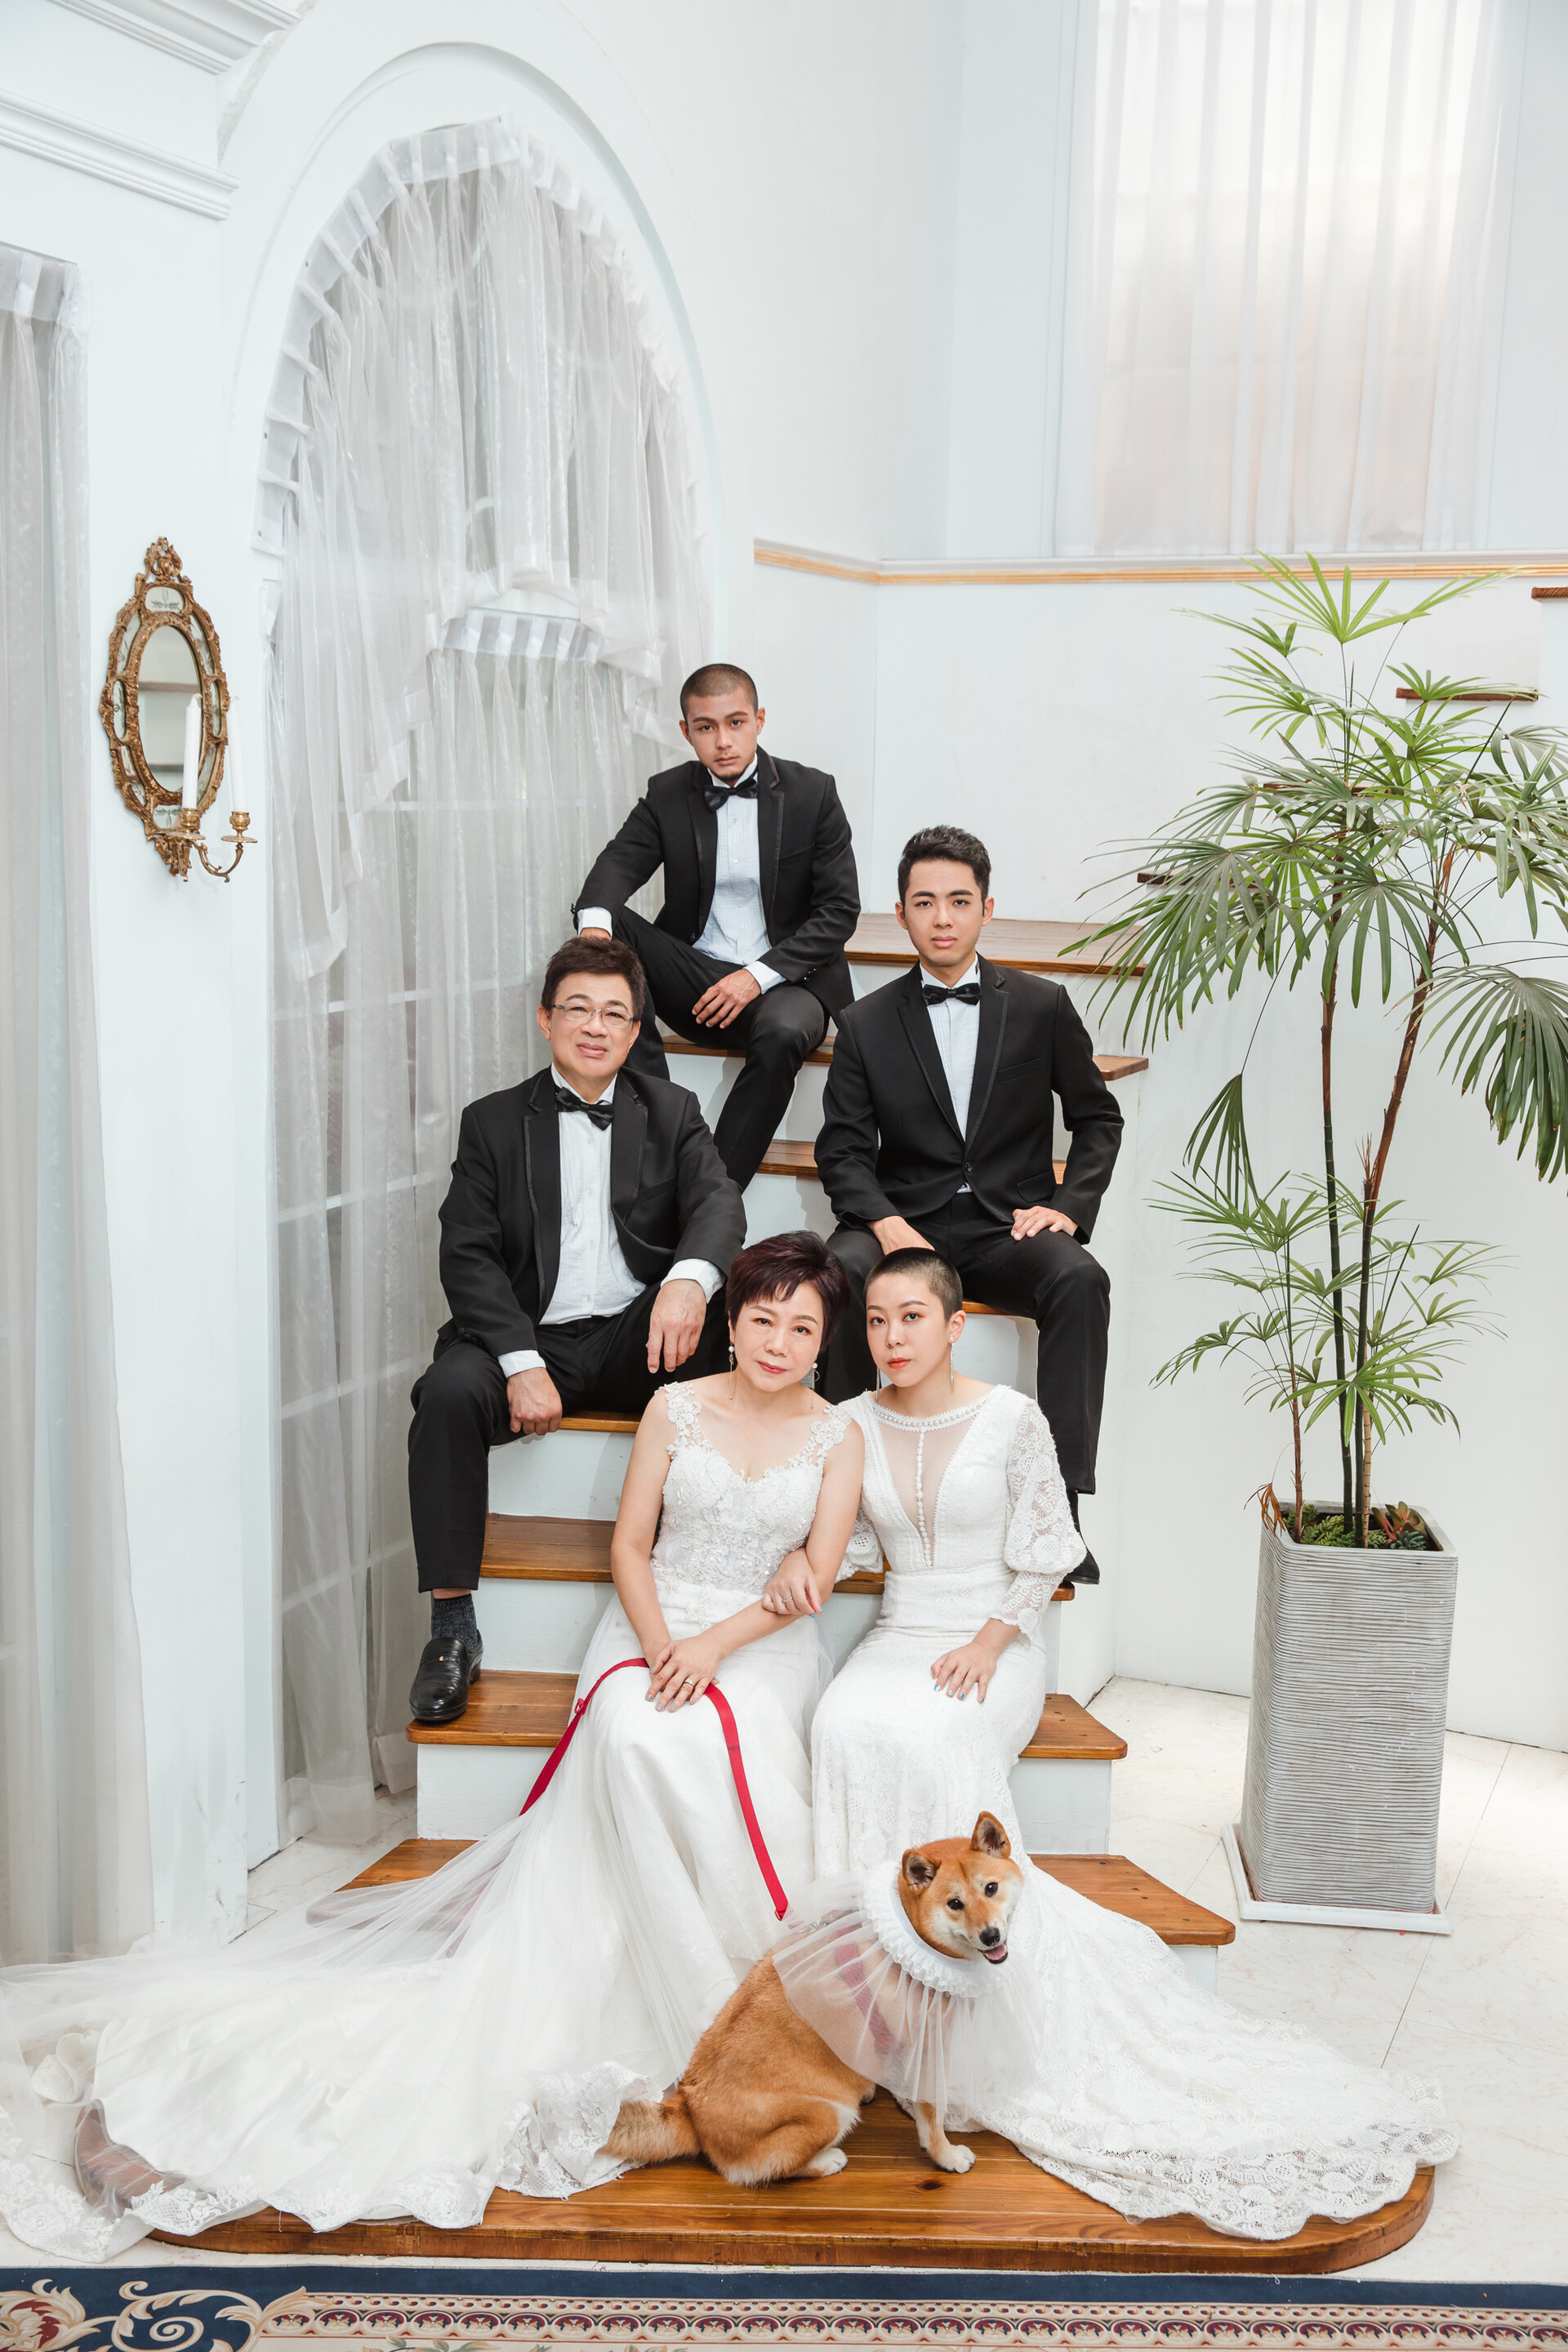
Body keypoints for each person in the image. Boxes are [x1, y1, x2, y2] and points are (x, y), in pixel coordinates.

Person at [0, 1234, 865, 2261]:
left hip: (760, 1645)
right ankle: (670, 1987)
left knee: (718, 1744)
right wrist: (662, 1644)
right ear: (731, 1321)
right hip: (653, 1622)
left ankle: (740, 1999)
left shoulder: (837, 1436)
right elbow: (630, 1547)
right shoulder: (673, 1408)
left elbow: (817, 1571)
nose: (777, 1342)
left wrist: (718, 1646)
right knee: (637, 1735)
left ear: (823, 1341)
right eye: (762, 1318)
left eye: (800, 1327)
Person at [760, 1250, 1458, 2243]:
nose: (892, 1337)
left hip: (995, 1637)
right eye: (875, 1320)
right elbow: (853, 1541)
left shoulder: (1012, 1418)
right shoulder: (853, 1423)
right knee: (843, 1723)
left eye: (911, 1317)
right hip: (901, 1629)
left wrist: (988, 1645)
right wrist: (799, 1554)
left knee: (935, 1734)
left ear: (955, 1325)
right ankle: (883, 2005)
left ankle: (973, 1998)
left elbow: (1050, 1551)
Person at [406, 936, 744, 1726]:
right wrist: (520, 1360)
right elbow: (467, 1254)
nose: (595, 1027)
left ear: (634, 1031)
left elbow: (718, 1204)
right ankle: (452, 1629)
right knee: (447, 1393)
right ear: (546, 1019)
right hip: (533, 1336)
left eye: (614, 1014)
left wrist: (685, 1284)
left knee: (739, 1314)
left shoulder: (672, 1110)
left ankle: (721, 1579)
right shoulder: (492, 1123)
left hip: (636, 1335)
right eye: (578, 1009)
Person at [816, 823, 1120, 1579]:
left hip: (1005, 1228)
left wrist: (1068, 1207)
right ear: (902, 913)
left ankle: (1057, 1515)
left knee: (1080, 1279)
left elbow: (1097, 1118)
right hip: (903, 1223)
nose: (943, 918)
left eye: (959, 901)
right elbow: (842, 1151)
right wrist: (886, 1223)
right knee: (839, 1269)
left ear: (988, 908)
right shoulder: (864, 1023)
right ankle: (846, 1500)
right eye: (925, 903)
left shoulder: (1043, 1005)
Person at [574, 662, 860, 1191]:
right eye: (706, 727)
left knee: (782, 1034)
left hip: (787, 984)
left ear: (759, 721)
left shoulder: (813, 793)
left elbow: (840, 911)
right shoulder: (667, 793)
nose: (723, 741)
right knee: (607, 924)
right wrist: (593, 942)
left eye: (736, 723)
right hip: (696, 979)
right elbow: (616, 866)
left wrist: (756, 976)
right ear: (687, 732)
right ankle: (657, 1130)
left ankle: (714, 1196)